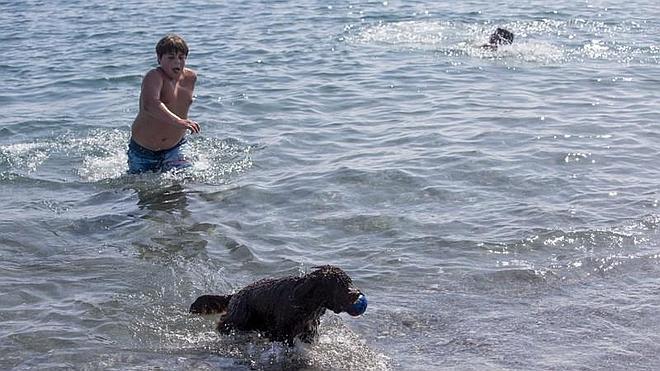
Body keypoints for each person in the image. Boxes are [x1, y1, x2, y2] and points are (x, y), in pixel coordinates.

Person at [127, 34, 200, 174]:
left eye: (181, 57)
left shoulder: (191, 78)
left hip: (175, 146)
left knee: (185, 185)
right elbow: (150, 104)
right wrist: (178, 121)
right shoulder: (154, 76)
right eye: (171, 57)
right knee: (146, 192)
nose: (177, 62)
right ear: (159, 59)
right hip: (144, 150)